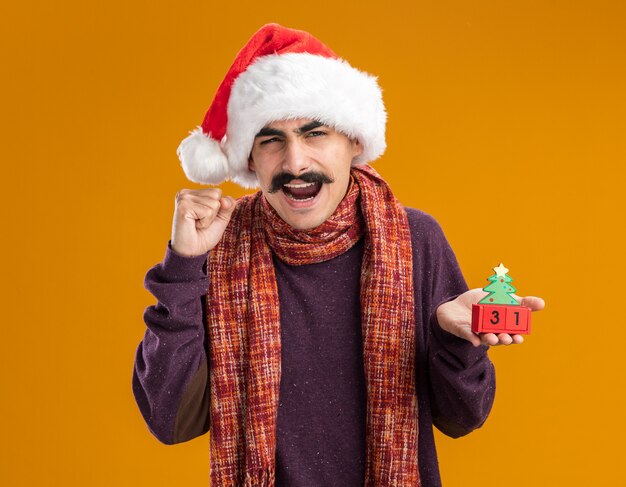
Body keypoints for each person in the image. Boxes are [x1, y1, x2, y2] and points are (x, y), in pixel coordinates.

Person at [132, 23, 545, 487]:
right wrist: (183, 268)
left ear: (354, 143)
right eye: (271, 140)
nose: (295, 163)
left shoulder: (415, 239)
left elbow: (463, 418)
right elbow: (168, 419)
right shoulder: (217, 247)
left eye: (315, 134)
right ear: (250, 158)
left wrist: (453, 343)